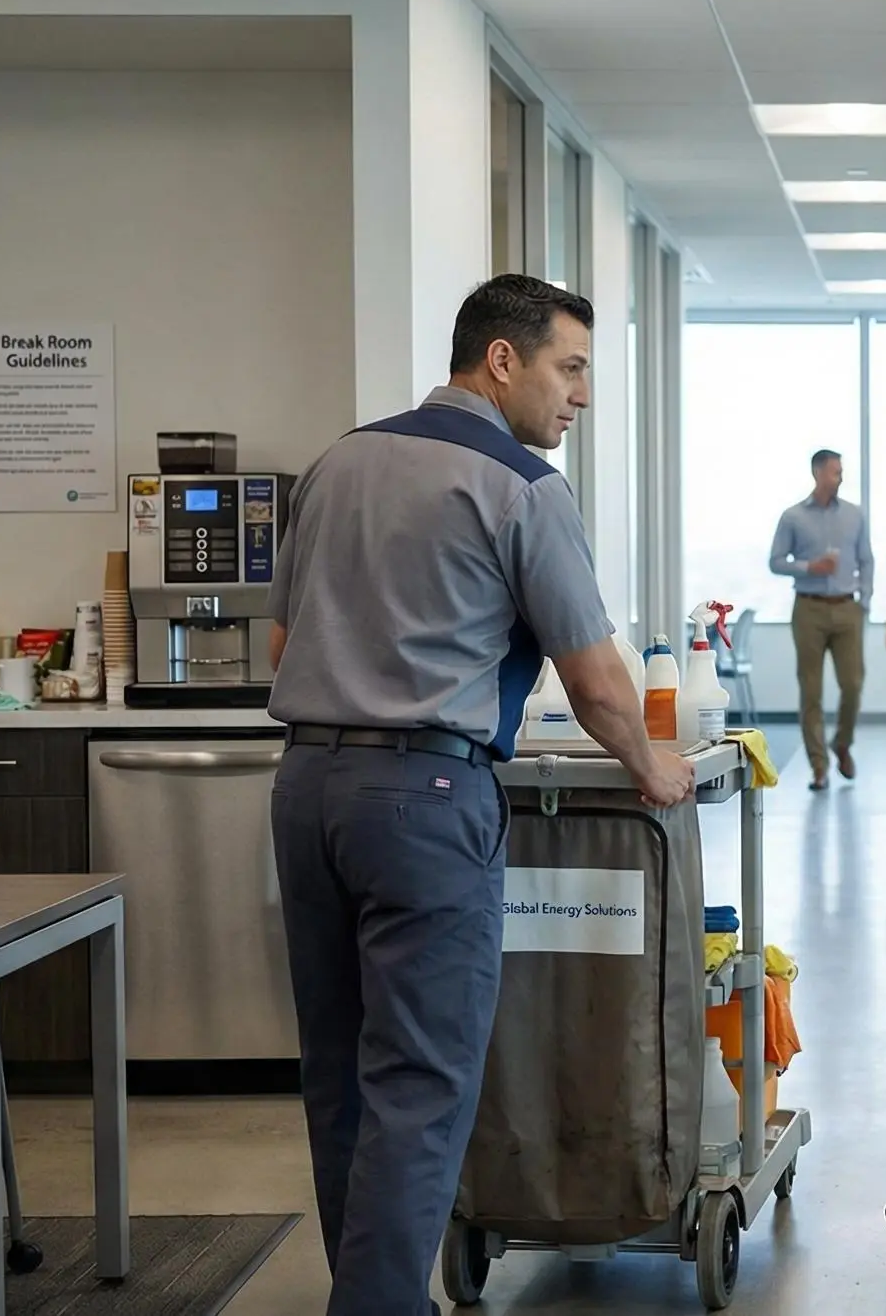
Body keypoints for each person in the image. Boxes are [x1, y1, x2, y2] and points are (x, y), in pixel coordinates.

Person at [266, 273, 696, 1316]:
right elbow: (596, 679)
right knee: (421, 1083)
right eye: (572, 367)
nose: (581, 395)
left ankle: (367, 1291)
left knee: (341, 1073)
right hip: (424, 796)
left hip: (308, 787)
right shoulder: (521, 486)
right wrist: (655, 769)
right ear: (503, 361)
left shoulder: (338, 461)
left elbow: (282, 644)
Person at [770, 449, 874, 791]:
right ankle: (818, 766)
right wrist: (809, 567)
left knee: (853, 684)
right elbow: (776, 561)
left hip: (847, 608)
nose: (840, 477)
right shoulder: (792, 517)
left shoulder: (856, 516)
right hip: (809, 609)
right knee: (810, 691)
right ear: (817, 473)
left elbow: (866, 560)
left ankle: (841, 743)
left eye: (841, 471)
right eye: (834, 472)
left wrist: (865, 603)